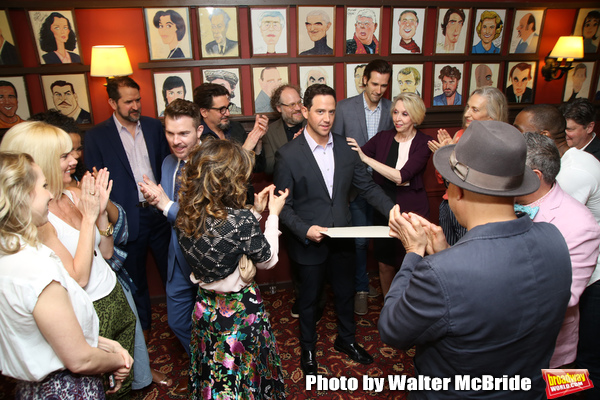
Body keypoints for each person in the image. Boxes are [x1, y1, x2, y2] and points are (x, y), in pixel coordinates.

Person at [380, 120, 572, 399]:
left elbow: (392, 329)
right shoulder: (555, 239)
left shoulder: (441, 272)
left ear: (457, 191)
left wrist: (413, 253)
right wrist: (447, 253)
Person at [1, 121, 137, 398]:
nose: (74, 159)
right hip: (88, 309)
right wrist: (88, 218)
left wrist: (99, 214)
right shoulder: (34, 222)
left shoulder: (75, 194)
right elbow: (78, 278)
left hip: (113, 296)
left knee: (123, 389)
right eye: (64, 155)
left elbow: (107, 253)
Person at [273, 84, 395, 375]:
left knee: (345, 292)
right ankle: (308, 350)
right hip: (308, 241)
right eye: (319, 111)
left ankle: (347, 340)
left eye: (330, 111)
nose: (326, 118)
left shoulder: (345, 146)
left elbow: (366, 187)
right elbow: (282, 208)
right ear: (305, 112)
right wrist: (305, 230)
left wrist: (392, 210)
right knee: (308, 300)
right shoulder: (287, 154)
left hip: (343, 236)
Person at [176, 140, 287, 399]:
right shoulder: (240, 220)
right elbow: (267, 260)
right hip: (240, 312)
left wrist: (254, 213)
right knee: (245, 374)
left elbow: (221, 242)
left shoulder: (185, 215)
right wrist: (273, 215)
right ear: (226, 180)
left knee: (213, 373)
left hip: (205, 309)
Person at [84, 77, 171, 338]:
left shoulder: (156, 128)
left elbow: (168, 165)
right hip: (126, 218)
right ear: (112, 102)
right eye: (128, 101)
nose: (136, 106)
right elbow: (97, 182)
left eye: (138, 99)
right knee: (136, 279)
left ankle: (183, 322)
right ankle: (143, 331)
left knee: (173, 272)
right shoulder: (97, 137)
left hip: (161, 212)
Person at [516, 132, 600, 369]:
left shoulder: (580, 224)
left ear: (534, 177)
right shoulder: (501, 201)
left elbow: (565, 296)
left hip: (547, 349)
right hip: (502, 345)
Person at [347, 92, 431, 297]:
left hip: (413, 211)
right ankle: (389, 306)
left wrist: (366, 159)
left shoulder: (424, 142)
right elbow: (353, 156)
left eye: (405, 114)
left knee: (410, 262)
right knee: (384, 263)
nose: (398, 118)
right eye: (395, 112)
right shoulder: (383, 137)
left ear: (416, 117)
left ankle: (410, 308)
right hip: (384, 207)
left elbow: (401, 176)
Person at [138, 99, 203, 358]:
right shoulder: (167, 163)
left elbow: (206, 219)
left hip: (207, 258)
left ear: (199, 131)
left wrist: (166, 205)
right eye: (170, 133)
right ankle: (204, 364)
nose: (176, 140)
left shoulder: (212, 164)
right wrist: (157, 203)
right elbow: (169, 211)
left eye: (184, 133)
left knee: (213, 323)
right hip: (177, 256)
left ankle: (218, 373)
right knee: (177, 322)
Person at [332, 59, 394, 315]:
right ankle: (360, 288)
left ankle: (382, 286)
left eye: (384, 85)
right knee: (358, 241)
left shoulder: (393, 109)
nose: (379, 90)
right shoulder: (344, 108)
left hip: (382, 187)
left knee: (384, 240)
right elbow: (334, 146)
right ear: (364, 81)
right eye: (375, 84)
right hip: (354, 188)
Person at [430, 86, 508, 245]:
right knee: (447, 253)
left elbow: (476, 181)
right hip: (448, 203)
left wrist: (452, 158)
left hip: (473, 208)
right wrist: (445, 157)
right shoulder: (460, 135)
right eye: (467, 107)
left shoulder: (501, 144)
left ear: (492, 116)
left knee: (467, 253)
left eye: (475, 109)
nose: (467, 114)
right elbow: (444, 179)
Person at [513, 104, 600, 225]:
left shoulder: (572, 171)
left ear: (543, 135)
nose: (514, 136)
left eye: (519, 131)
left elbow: (552, 219)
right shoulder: (560, 159)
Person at [263, 84, 305, 175]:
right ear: (279, 108)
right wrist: (291, 148)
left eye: (299, 102)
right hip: (285, 185)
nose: (298, 108)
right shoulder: (271, 131)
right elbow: (269, 167)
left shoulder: (312, 124)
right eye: (292, 105)